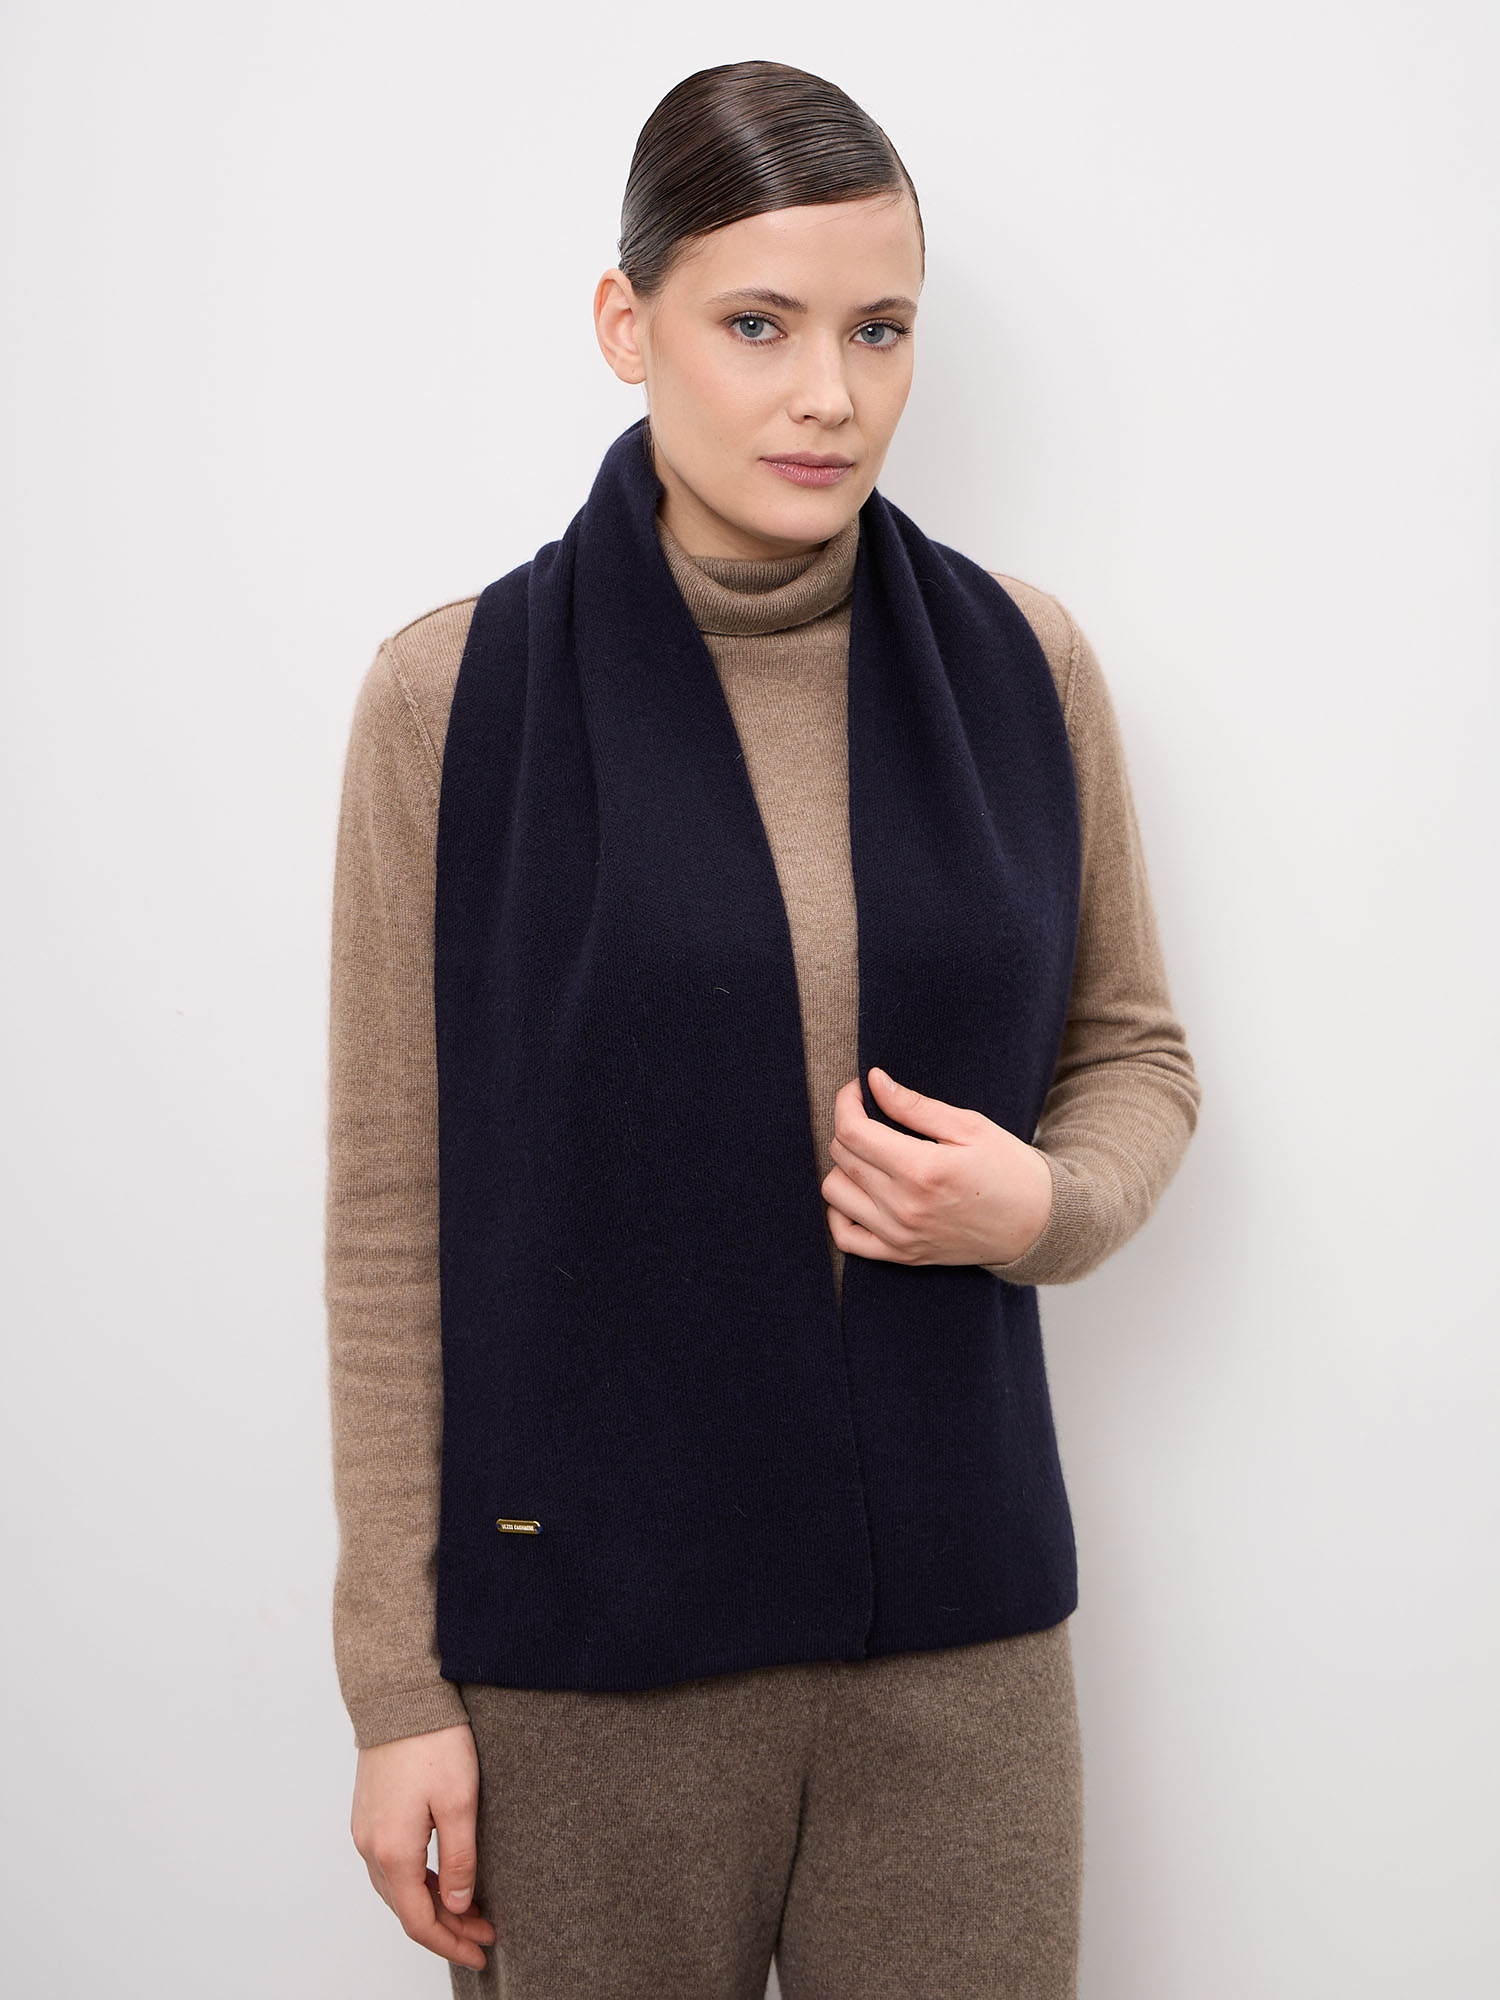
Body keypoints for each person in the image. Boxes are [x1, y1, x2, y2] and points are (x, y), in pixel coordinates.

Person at [324, 58, 1201, 2000]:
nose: (831, 393)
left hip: (959, 1646)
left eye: (880, 328)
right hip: (587, 1654)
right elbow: (394, 1210)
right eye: (758, 325)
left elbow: (1135, 1050)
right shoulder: (453, 700)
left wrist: (1040, 1206)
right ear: (626, 323)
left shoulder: (1026, 666)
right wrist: (398, 1686)